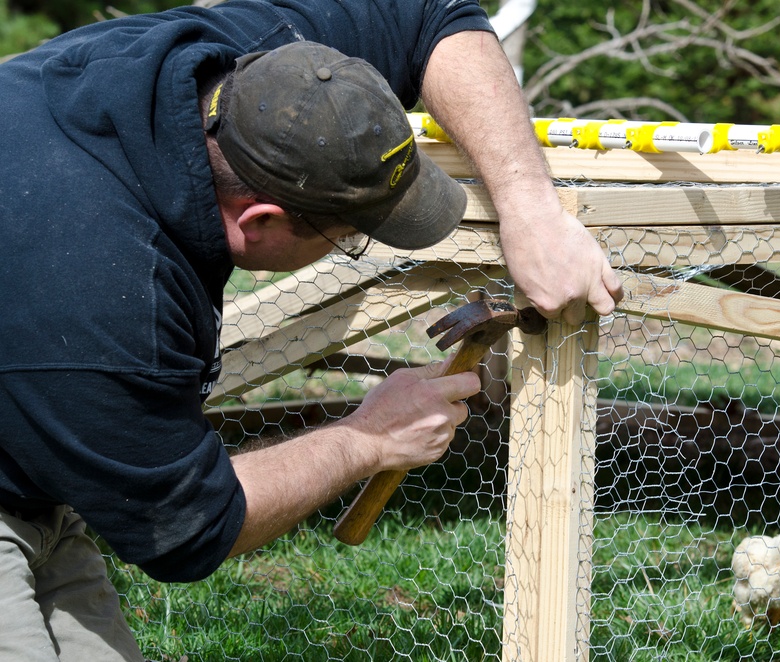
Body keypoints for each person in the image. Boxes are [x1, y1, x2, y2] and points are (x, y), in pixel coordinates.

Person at [0, 0, 623, 659]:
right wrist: (369, 438)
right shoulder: (101, 303)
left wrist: (532, 210)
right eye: (346, 238)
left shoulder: (256, 69)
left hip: (35, 453)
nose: (347, 245)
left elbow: (430, 16)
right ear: (259, 220)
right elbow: (188, 529)